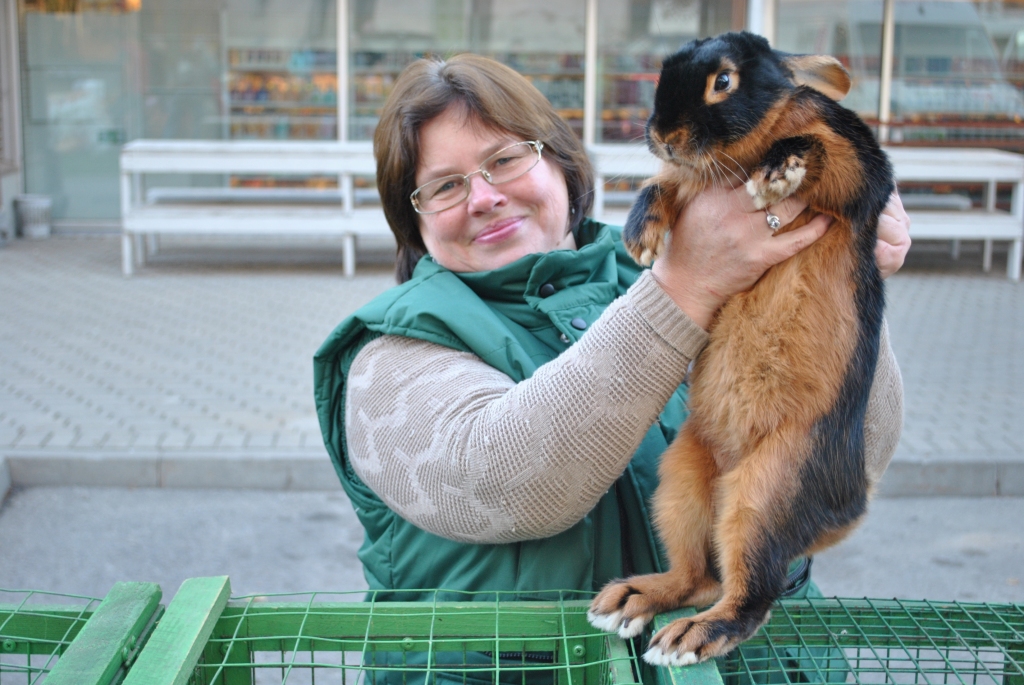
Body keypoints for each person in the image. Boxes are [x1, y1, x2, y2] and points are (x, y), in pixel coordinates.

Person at [314, 51, 907, 619]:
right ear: (412, 221)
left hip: (750, 664)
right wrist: (684, 287)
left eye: (506, 159)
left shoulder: (704, 263)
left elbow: (852, 462)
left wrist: (834, 271)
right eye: (444, 187)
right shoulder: (388, 355)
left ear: (562, 163)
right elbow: (502, 484)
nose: (485, 198)